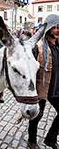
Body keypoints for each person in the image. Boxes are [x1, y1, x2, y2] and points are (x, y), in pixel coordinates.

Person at [27, 14, 59, 149]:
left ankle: (50, 138)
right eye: (55, 27)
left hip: (57, 87)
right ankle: (31, 141)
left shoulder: (58, 45)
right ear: (49, 28)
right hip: (42, 87)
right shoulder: (38, 47)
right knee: (36, 117)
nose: (58, 29)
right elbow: (30, 70)